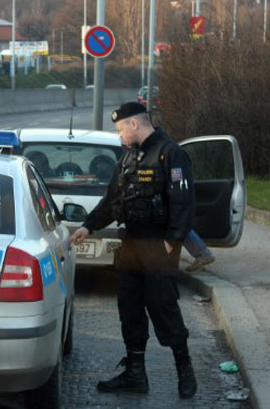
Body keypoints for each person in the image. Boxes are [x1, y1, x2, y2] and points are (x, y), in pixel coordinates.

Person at [70, 101, 198, 399]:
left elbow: (185, 202)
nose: (119, 135)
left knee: (163, 307)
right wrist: (88, 226)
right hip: (131, 245)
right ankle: (135, 374)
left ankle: (185, 369)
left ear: (135, 124)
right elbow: (112, 200)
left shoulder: (171, 154)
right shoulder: (128, 159)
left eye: (120, 129)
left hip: (157, 245)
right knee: (129, 309)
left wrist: (171, 242)